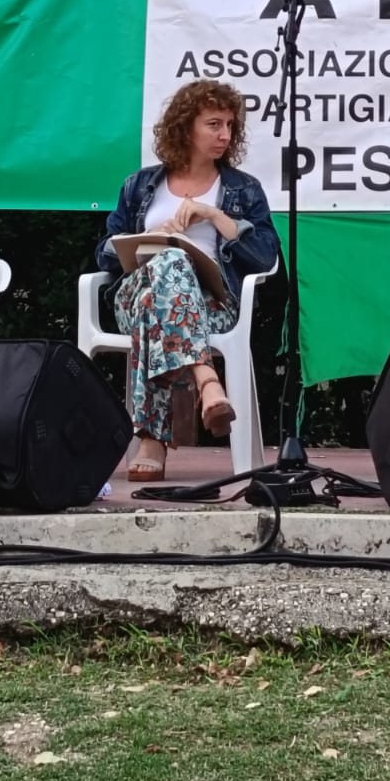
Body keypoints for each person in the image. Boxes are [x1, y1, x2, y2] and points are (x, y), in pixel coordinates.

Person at [95, 79, 281, 481]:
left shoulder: (243, 190)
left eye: (230, 126)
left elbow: (267, 257)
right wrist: (150, 237)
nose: (225, 135)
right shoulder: (140, 185)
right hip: (133, 295)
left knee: (160, 295)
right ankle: (207, 380)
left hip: (211, 306)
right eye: (214, 124)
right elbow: (104, 253)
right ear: (185, 127)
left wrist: (215, 215)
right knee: (171, 259)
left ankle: (152, 440)